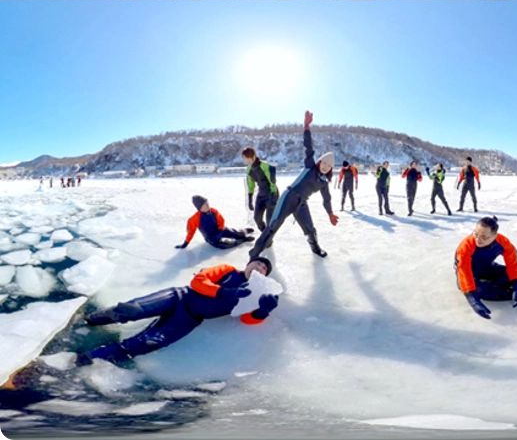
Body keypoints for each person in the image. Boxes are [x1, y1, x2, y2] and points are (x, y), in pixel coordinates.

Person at [83, 258, 279, 363]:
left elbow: (246, 319)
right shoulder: (227, 270)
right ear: (248, 264)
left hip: (189, 317)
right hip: (179, 296)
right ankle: (90, 320)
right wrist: (224, 291)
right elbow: (198, 281)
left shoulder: (255, 295)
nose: (260, 267)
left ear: (264, 276)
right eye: (258, 263)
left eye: (264, 268)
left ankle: (90, 357)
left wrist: (262, 312)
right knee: (131, 310)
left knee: (147, 342)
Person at [247, 110, 339, 260]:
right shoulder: (310, 166)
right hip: (288, 197)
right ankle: (254, 254)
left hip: (301, 203)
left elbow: (326, 199)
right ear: (319, 161)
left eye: (329, 166)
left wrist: (330, 214)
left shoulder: (324, 182)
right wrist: (306, 127)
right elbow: (308, 147)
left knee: (310, 229)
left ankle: (316, 249)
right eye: (324, 162)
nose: (326, 166)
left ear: (331, 169)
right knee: (273, 227)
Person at [455, 216, 517, 319]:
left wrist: (516, 284)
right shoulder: (466, 246)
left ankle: (515, 290)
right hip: (467, 272)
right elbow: (464, 271)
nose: (478, 240)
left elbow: (512, 264)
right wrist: (472, 299)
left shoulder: (502, 242)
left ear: (495, 236)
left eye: (484, 237)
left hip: (487, 267)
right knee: (479, 291)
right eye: (475, 234)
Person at [177, 196, 254, 250]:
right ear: (199, 208)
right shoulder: (194, 219)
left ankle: (244, 231)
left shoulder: (213, 211)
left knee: (236, 233)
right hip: (211, 238)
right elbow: (190, 232)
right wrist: (185, 244)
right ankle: (243, 240)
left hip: (220, 230)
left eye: (208, 203)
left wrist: (221, 228)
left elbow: (221, 220)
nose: (208, 205)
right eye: (205, 204)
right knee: (224, 246)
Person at [241, 147, 278, 231]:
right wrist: (250, 199)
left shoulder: (264, 166)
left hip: (271, 194)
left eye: (245, 158)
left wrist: (273, 194)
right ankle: (265, 234)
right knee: (257, 218)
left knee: (270, 220)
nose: (244, 160)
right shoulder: (249, 169)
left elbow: (272, 182)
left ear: (251, 157)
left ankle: (268, 238)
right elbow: (250, 185)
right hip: (261, 194)